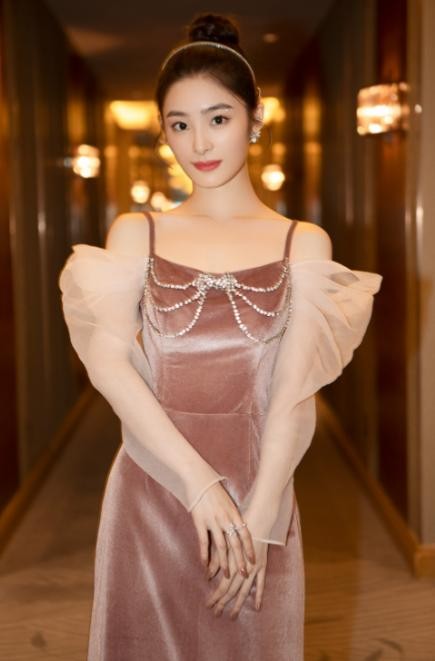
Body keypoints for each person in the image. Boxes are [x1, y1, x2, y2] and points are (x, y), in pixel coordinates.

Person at [58, 12, 383, 661]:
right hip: (152, 486)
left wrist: (260, 518)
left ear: (255, 119)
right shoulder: (137, 233)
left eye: (218, 117)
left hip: (257, 487)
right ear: (163, 132)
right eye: (180, 124)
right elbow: (109, 364)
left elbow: (292, 398)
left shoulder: (302, 244)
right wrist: (198, 483)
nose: (199, 142)